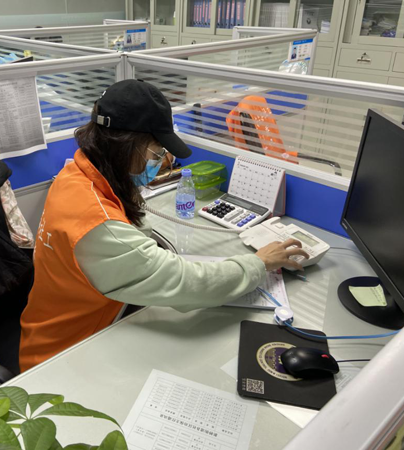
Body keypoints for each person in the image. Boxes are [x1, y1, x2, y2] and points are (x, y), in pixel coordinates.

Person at [19, 79, 309, 371]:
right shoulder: (98, 224)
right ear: (125, 147)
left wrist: (128, 186)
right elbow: (186, 283)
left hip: (56, 325)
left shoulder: (75, 174)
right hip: (63, 357)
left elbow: (131, 235)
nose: (163, 162)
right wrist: (259, 263)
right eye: (156, 153)